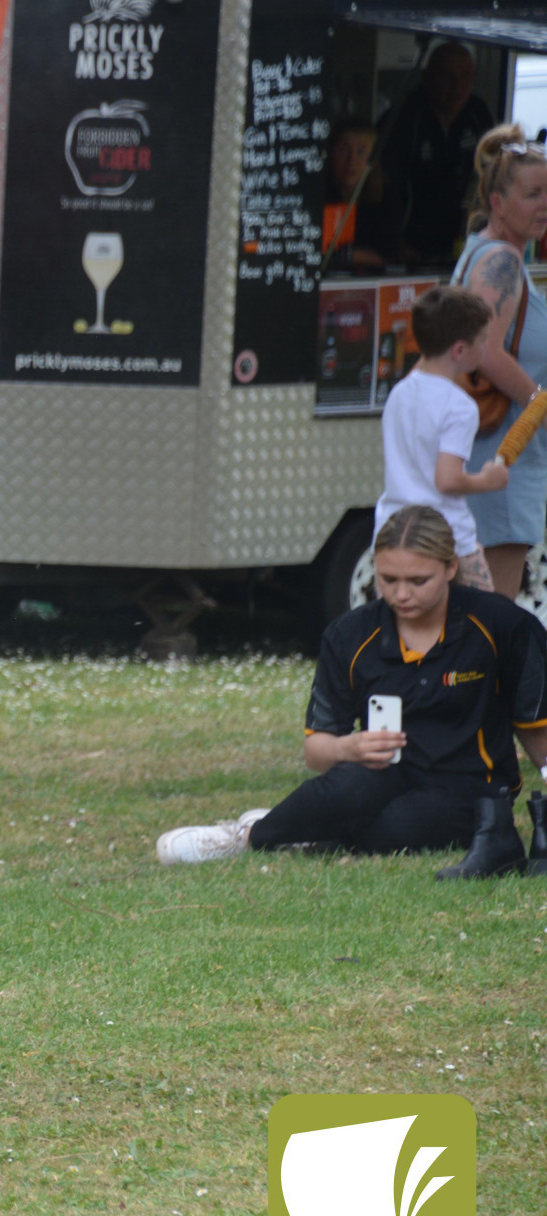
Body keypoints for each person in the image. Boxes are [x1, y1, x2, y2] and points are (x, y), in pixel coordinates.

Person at [157, 506, 547, 870]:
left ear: (450, 568)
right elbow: (317, 751)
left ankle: (300, 830)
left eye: (418, 580)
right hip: (383, 773)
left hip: (471, 789)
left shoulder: (502, 626)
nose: (401, 594)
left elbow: (538, 732)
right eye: (388, 579)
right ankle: (247, 836)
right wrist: (347, 747)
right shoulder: (349, 635)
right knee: (347, 785)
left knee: (400, 828)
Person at [454, 130, 547, 598]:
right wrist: (537, 404)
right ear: (497, 201)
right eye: (533, 194)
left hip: (489, 458)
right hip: (502, 458)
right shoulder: (502, 263)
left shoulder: (479, 251)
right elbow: (486, 350)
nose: (544, 205)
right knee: (492, 618)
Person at [376, 285, 503, 591]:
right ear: (459, 350)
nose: (486, 348)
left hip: (392, 536)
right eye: (483, 341)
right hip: (447, 540)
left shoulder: (399, 393)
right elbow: (447, 480)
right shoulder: (459, 406)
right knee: (477, 627)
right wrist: (488, 481)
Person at [381, 43, 496, 266]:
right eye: (448, 78)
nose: (458, 87)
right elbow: (384, 187)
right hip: (410, 247)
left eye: (466, 77)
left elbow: (493, 177)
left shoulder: (478, 114)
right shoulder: (404, 117)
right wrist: (393, 241)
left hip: (464, 243)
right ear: (427, 78)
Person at [322, 120, 394, 273]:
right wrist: (354, 256)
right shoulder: (319, 197)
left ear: (373, 159)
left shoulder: (385, 198)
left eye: (361, 152)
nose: (351, 161)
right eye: (344, 150)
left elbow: (385, 255)